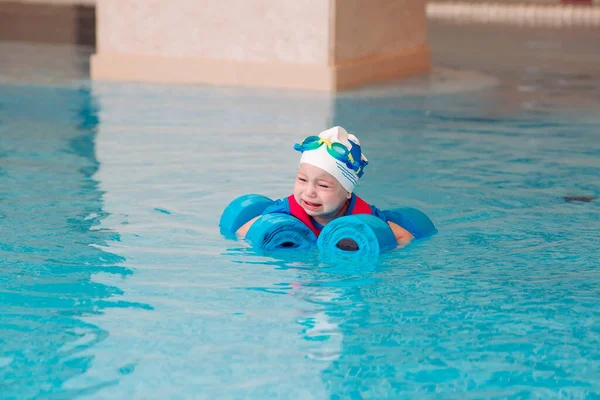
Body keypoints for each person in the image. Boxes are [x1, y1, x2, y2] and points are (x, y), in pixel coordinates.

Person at [236, 126, 413, 244]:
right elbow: (244, 232)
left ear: (347, 192)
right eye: (302, 180)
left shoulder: (364, 217)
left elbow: (404, 236)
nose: (309, 192)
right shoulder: (285, 211)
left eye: (323, 186)